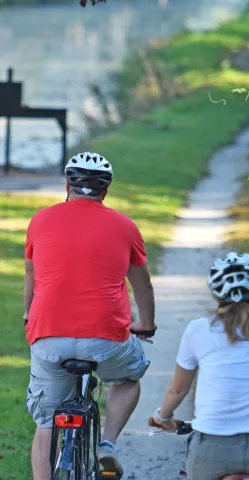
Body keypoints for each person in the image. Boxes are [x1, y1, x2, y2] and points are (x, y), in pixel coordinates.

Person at [24, 151, 157, 480]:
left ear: (67, 184)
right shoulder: (125, 227)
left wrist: (28, 313)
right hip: (106, 338)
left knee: (45, 427)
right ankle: (107, 445)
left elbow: (31, 276)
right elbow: (143, 288)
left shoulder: (40, 221)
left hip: (48, 335)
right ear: (105, 191)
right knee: (128, 378)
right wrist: (146, 324)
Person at [148, 252, 249, 480]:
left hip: (213, 451)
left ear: (215, 293)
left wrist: (163, 417)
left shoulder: (198, 330)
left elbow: (178, 390)